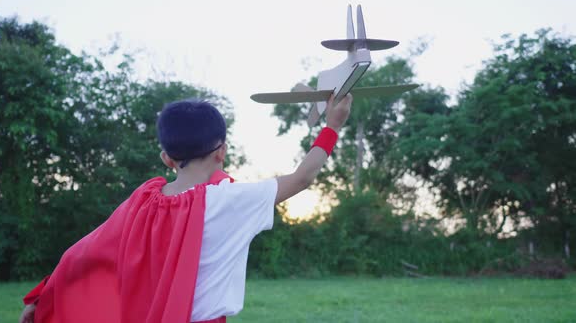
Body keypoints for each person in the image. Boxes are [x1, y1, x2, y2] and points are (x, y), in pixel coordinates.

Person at [19, 93, 353, 323]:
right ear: (221, 150)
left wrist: (42, 295)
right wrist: (333, 126)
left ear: (166, 158)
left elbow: (82, 254)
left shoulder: (144, 200)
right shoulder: (229, 202)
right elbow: (303, 177)